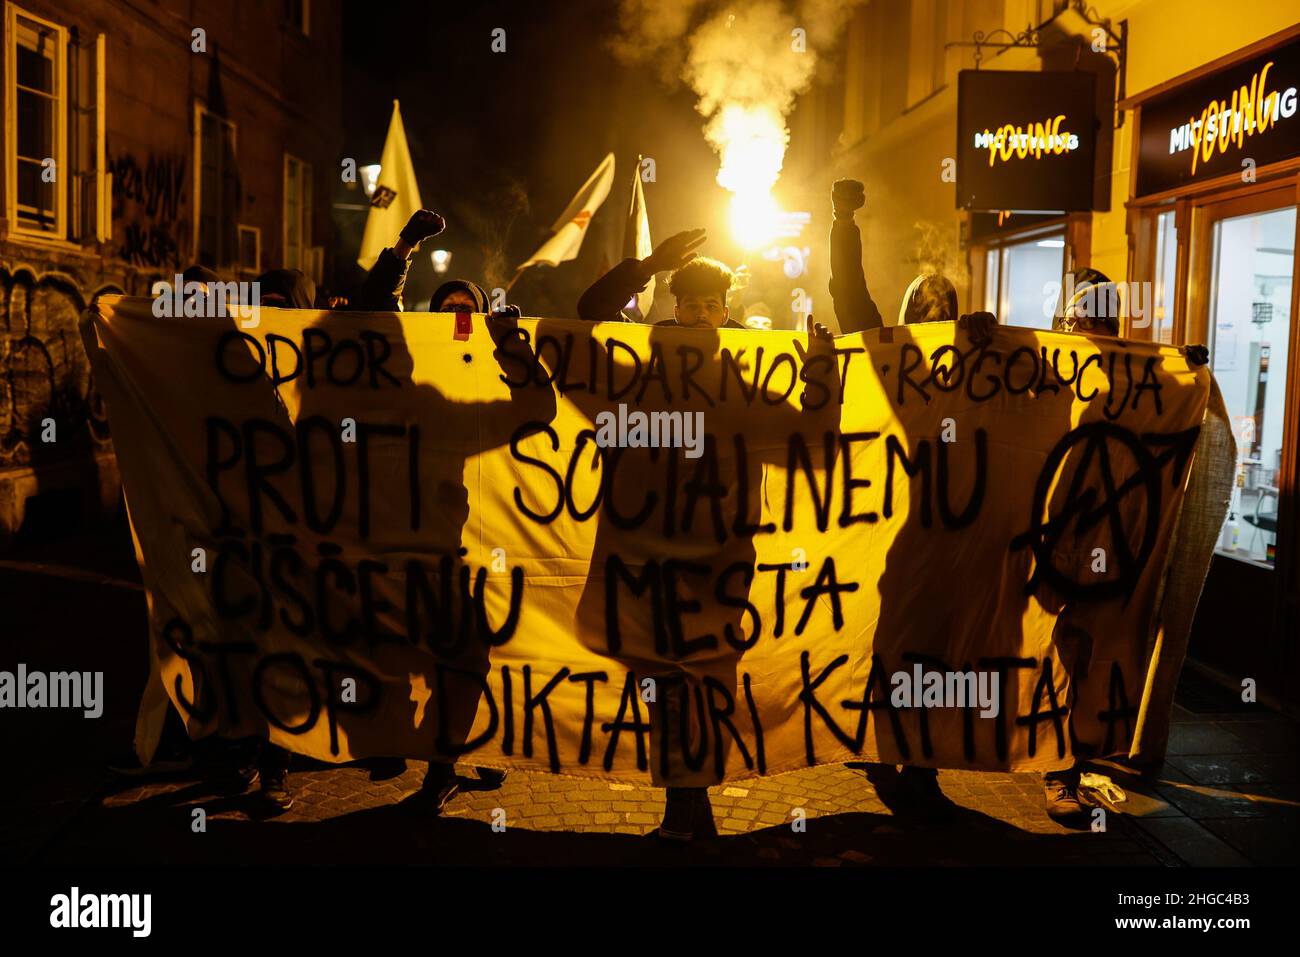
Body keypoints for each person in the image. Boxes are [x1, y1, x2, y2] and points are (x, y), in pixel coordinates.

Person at [578, 232, 835, 841]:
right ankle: (683, 805)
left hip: (719, 561)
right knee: (664, 684)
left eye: (710, 304)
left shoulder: (742, 381)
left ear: (726, 310)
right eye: (688, 303)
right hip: (644, 559)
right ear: (672, 307)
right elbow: (590, 313)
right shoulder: (637, 368)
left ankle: (692, 804)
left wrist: (821, 366)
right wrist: (647, 266)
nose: (698, 314)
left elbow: (811, 437)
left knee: (707, 682)